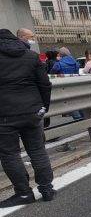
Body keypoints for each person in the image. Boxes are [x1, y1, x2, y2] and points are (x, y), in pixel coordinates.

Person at [0, 29, 55, 207]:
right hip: (32, 112)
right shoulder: (31, 56)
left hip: (4, 115)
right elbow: (45, 84)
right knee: (38, 151)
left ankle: (24, 193)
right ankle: (46, 188)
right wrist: (43, 108)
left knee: (10, 155)